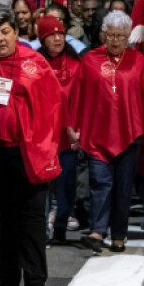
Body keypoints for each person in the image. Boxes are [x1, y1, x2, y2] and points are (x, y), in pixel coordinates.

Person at [0, 7, 63, 286]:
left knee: (31, 219)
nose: (0, 38)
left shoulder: (35, 63)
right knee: (3, 219)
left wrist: (48, 145)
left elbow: (53, 105)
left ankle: (35, 282)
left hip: (29, 152)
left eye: (5, 32)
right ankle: (7, 282)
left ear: (16, 33)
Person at [70, 11, 144, 253]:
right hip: (96, 134)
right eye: (110, 35)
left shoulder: (138, 61)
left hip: (130, 135)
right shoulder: (90, 60)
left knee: (123, 187)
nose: (115, 40)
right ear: (104, 34)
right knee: (100, 183)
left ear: (128, 36)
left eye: (120, 36)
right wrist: (73, 127)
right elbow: (77, 95)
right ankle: (97, 231)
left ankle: (119, 234)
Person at [37, 15, 84, 244]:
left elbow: (83, 101)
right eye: (52, 35)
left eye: (61, 34)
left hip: (68, 136)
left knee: (66, 185)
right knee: (42, 186)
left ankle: (60, 228)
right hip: (42, 137)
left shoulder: (76, 65)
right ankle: (42, 230)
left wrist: (78, 130)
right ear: (42, 39)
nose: (57, 39)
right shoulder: (35, 65)